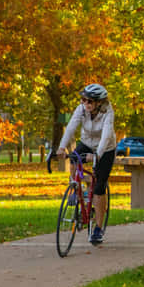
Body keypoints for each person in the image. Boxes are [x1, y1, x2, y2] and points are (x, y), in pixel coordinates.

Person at [57, 83, 115, 245]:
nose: (85, 103)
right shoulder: (81, 109)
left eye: (89, 101)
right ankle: (76, 187)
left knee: (99, 187)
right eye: (83, 100)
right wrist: (61, 147)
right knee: (74, 159)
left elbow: (106, 135)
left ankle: (98, 229)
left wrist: (97, 155)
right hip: (87, 143)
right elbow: (71, 127)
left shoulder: (108, 112)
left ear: (99, 102)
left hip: (105, 148)